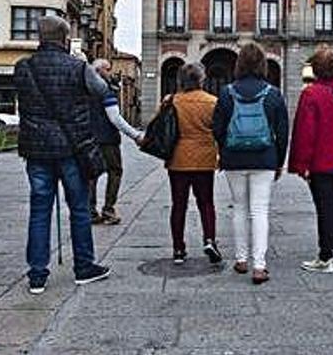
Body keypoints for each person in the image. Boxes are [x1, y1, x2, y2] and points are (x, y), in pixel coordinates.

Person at [13, 16, 143, 295]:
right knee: (80, 208)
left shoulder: (23, 68)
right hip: (72, 149)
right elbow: (102, 89)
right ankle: (84, 267)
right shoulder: (78, 68)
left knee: (39, 211)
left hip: (36, 150)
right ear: (64, 39)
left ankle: (37, 275)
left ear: (40, 37)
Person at [212, 43, 289, 285]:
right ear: (263, 65)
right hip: (264, 158)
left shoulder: (226, 93)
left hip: (234, 158)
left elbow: (216, 127)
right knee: (259, 210)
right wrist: (278, 161)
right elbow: (283, 131)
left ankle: (241, 259)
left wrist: (226, 148)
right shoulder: (273, 93)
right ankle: (259, 265)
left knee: (240, 208)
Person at [289, 48, 333, 274]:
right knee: (332, 204)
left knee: (325, 207)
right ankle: (332, 250)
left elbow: (305, 131)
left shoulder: (311, 94)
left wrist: (301, 165)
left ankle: (326, 256)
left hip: (321, 161)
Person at [165, 63, 222, 265]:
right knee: (206, 202)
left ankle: (178, 249)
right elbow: (219, 131)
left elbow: (161, 127)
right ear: (201, 80)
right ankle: (209, 240)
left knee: (178, 204)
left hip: (178, 160)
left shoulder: (172, 101)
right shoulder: (213, 102)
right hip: (205, 159)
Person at [87, 59, 126, 225]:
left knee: (91, 174)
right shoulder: (106, 90)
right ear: (100, 70)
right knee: (115, 170)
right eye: (108, 69)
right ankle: (108, 209)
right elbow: (115, 118)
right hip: (108, 138)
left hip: (89, 138)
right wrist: (136, 135)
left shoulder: (85, 89)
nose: (110, 73)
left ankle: (90, 211)